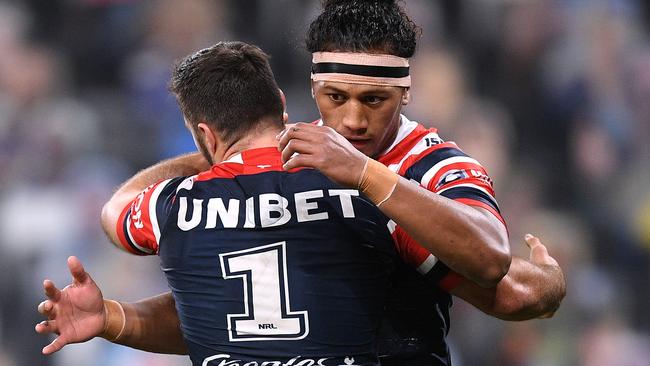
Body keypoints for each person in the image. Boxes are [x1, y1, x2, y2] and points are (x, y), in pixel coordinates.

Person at [37, 1, 566, 364]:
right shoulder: (283, 159)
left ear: (405, 94)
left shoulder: (433, 169)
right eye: (336, 98)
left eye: (373, 101)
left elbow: (503, 279)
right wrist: (116, 318)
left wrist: (364, 174)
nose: (353, 121)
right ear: (312, 88)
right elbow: (242, 312)